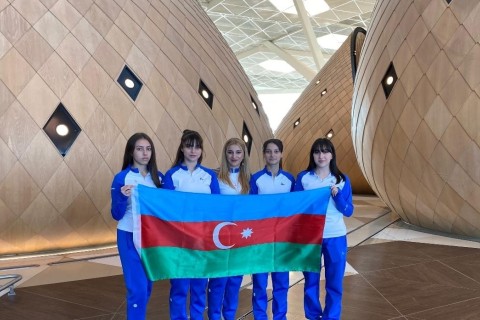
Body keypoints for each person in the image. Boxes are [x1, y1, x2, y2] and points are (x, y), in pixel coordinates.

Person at [294, 138, 354, 320]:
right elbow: (295, 207)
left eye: (325, 151)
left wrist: (337, 196)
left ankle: (331, 317)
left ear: (332, 155)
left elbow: (349, 211)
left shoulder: (341, 179)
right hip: (310, 238)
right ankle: (313, 316)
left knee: (334, 282)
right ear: (312, 155)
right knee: (311, 281)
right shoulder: (303, 178)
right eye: (317, 152)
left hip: (335, 236)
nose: (321, 156)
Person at [163, 129, 220, 320]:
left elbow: (216, 207)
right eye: (189, 146)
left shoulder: (210, 176)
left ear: (202, 150)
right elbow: (166, 208)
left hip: (203, 239)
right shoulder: (172, 175)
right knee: (179, 285)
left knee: (199, 284)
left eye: (197, 147)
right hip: (179, 240)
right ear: (182, 148)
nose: (193, 151)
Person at [110, 132, 163, 320]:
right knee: (137, 288)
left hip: (151, 240)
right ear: (131, 152)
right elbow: (116, 214)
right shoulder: (121, 178)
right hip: (128, 236)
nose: (145, 153)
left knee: (147, 286)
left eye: (148, 149)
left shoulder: (159, 179)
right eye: (140, 149)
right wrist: (122, 197)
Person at [250, 138, 295, 320]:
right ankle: (260, 317)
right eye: (268, 151)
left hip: (282, 240)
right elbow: (250, 209)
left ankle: (280, 317)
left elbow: (297, 208)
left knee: (281, 283)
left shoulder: (290, 179)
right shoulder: (256, 179)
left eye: (276, 151)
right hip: (261, 240)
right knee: (260, 283)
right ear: (264, 154)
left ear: (281, 154)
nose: (272, 155)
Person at [207, 138, 251, 320]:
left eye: (238, 152)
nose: (234, 156)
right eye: (230, 152)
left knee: (234, 280)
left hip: (240, 237)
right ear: (225, 154)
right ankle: (215, 316)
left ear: (243, 156)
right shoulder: (215, 177)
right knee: (218, 280)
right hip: (220, 236)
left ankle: (229, 316)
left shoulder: (249, 179)